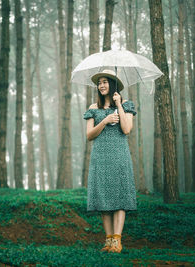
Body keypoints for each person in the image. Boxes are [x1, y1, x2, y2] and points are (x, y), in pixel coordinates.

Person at [83, 69, 137, 253]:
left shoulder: (127, 105)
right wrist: (105, 121)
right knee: (104, 199)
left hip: (120, 156)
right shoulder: (93, 108)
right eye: (99, 83)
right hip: (101, 157)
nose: (101, 85)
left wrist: (119, 105)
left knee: (120, 197)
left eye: (105, 82)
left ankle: (117, 241)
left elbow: (127, 129)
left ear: (113, 85)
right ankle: (108, 241)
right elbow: (90, 135)